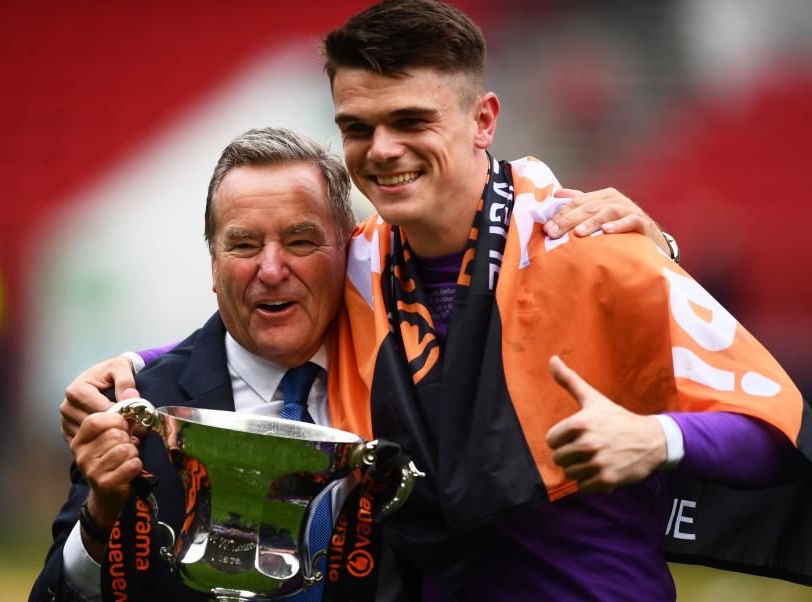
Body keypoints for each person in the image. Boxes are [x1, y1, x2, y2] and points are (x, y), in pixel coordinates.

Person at [55, 1, 812, 599]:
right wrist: (133, 367)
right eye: (358, 126)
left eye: (411, 120)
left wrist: (657, 441)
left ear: (484, 120)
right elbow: (262, 319)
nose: (382, 149)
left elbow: (775, 428)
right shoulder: (358, 266)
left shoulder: (593, 248)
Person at [31, 128, 364, 602]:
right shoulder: (134, 412)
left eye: (300, 241)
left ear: (346, 250)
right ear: (213, 265)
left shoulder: (403, 378)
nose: (271, 270)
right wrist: (99, 520)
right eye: (245, 245)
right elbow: (55, 596)